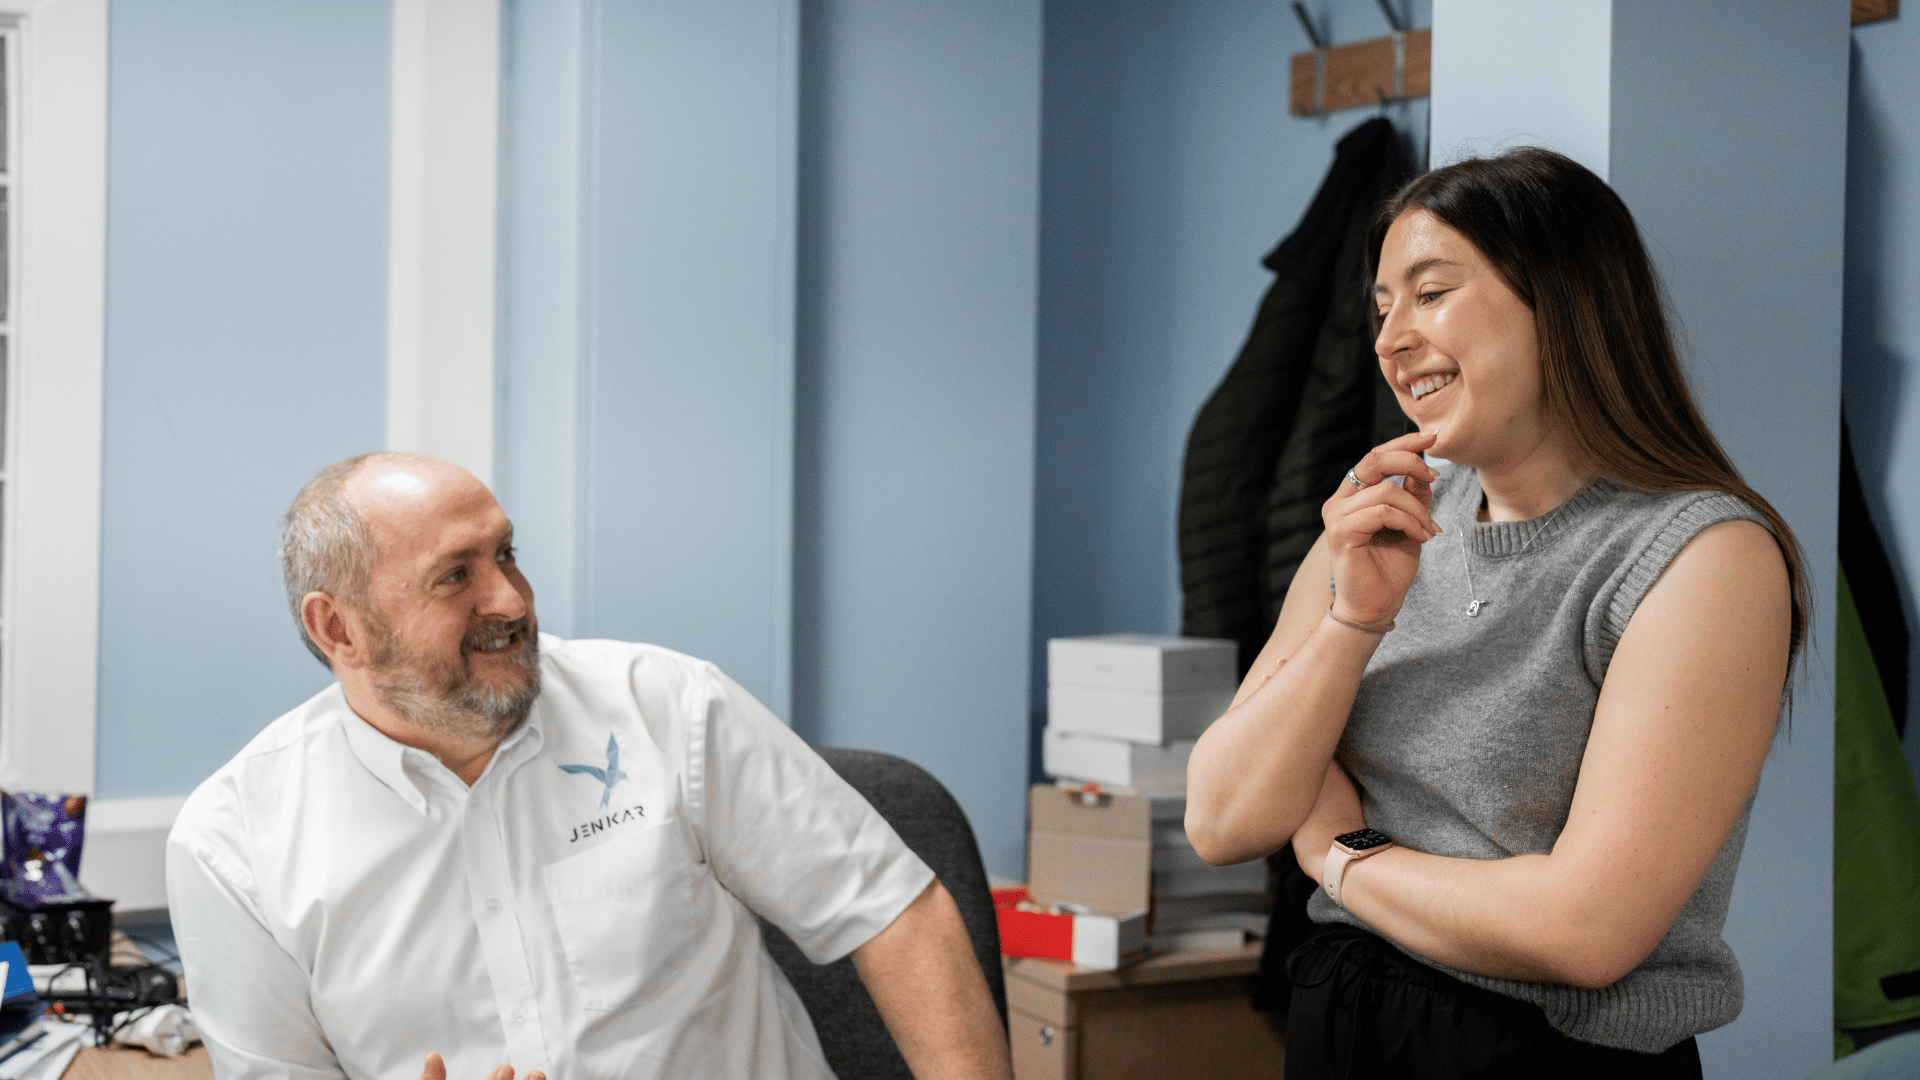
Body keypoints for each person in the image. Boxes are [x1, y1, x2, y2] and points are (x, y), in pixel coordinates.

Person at [1185, 147, 1806, 1079]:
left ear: (1562, 300)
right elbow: (1224, 816)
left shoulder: (1700, 557)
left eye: (1429, 293)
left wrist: (1343, 855)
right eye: (1382, 305)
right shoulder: (1389, 509)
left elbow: (1586, 930)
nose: (1391, 338)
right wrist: (1352, 624)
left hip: (1540, 1058)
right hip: (1347, 1023)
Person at [166, 452, 1014, 1080]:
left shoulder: (664, 705)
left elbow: (896, 913)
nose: (509, 599)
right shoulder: (235, 840)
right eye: (455, 577)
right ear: (337, 630)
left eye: (507, 554)